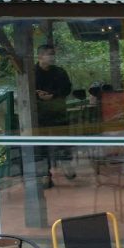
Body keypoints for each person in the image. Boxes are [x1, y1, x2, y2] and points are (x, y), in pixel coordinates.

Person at [34, 44, 74, 183]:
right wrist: (37, 94)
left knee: (63, 141)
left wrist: (53, 95)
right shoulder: (32, 73)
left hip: (58, 113)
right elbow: (25, 90)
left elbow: (67, 89)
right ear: (40, 56)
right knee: (41, 145)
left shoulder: (60, 72)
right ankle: (45, 173)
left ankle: (66, 164)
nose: (52, 57)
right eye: (49, 54)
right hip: (40, 115)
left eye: (53, 54)